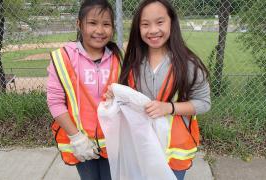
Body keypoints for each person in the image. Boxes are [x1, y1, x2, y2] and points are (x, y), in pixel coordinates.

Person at [106, 0, 211, 179]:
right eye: (145, 24)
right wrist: (116, 96)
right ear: (138, 29)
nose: (153, 30)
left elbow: (203, 103)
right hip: (141, 147)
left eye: (160, 22)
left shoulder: (189, 64)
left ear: (172, 22)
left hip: (174, 152)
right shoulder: (132, 63)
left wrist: (169, 107)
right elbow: (128, 101)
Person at [46, 0, 122, 179]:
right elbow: (55, 102)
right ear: (79, 24)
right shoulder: (62, 57)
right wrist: (76, 138)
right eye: (92, 23)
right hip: (82, 142)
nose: (100, 30)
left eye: (106, 24)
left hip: (113, 143)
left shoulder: (119, 58)